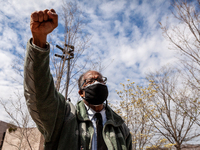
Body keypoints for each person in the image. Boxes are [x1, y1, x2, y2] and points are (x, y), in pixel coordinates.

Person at [24, 8, 132, 150]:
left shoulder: (120, 126)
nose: (97, 82)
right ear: (81, 92)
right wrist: (39, 41)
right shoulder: (65, 116)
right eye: (90, 81)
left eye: (101, 80)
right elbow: (40, 94)